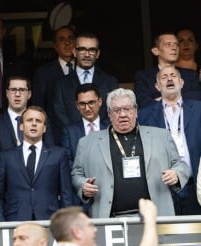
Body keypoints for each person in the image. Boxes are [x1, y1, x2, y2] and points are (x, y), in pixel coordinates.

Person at [72, 88, 190, 217]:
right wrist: (83, 186)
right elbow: (76, 174)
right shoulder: (87, 142)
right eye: (117, 110)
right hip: (110, 218)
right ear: (110, 114)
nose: (123, 114)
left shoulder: (161, 136)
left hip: (156, 215)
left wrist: (176, 174)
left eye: (127, 109)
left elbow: (181, 165)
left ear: (136, 111)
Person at [0, 106, 74, 221]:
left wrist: (65, 224)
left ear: (44, 128)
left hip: (49, 220)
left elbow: (66, 194)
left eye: (38, 121)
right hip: (15, 221)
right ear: (21, 126)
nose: (34, 124)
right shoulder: (6, 157)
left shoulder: (58, 154)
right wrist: (1, 224)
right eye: (29, 120)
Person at [138, 66, 201, 215]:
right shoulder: (144, 115)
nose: (169, 79)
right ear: (157, 86)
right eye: (164, 77)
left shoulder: (199, 109)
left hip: (195, 185)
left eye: (173, 75)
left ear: (181, 82)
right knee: (167, 235)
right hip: (162, 187)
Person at [52, 32, 118, 143]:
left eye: (92, 50)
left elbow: (113, 111)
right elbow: (59, 113)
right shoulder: (60, 84)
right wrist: (76, 133)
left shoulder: (110, 81)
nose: (87, 54)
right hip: (72, 142)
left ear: (97, 54)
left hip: (105, 140)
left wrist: (100, 133)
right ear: (74, 51)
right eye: (82, 49)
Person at [0, 75, 54, 169]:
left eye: (22, 90)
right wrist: (18, 171)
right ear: (7, 93)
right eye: (13, 90)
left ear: (29, 94)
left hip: (37, 177)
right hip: (5, 178)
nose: (17, 94)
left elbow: (50, 150)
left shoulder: (41, 119)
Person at [133, 31, 201, 108]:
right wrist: (178, 99)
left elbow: (196, 99)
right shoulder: (143, 76)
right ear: (156, 51)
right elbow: (144, 103)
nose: (174, 48)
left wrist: (162, 99)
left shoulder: (190, 75)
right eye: (168, 44)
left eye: (176, 44)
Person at [32, 25, 75, 124]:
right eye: (62, 39)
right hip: (55, 132)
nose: (67, 43)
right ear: (55, 46)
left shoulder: (85, 69)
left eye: (70, 38)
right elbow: (39, 107)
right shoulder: (43, 73)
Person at [60, 83, 108, 169]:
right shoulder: (69, 131)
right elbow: (66, 160)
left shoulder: (110, 128)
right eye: (82, 104)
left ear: (100, 102)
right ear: (77, 106)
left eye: (91, 103)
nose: (87, 108)